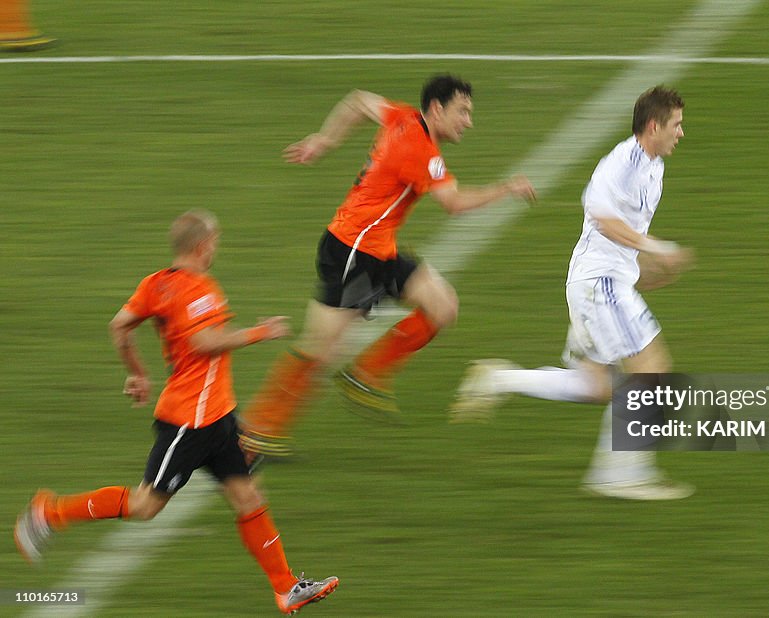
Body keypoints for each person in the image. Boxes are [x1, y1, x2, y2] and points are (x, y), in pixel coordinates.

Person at [13, 210, 339, 615]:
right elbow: (204, 342)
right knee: (146, 505)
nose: (216, 248)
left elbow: (120, 326)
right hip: (190, 423)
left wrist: (137, 374)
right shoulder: (200, 290)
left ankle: (287, 588)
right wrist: (260, 332)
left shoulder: (156, 283)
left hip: (218, 417)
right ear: (202, 246)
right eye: (216, 241)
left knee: (248, 496)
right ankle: (49, 513)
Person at [239, 74, 535, 458]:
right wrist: (507, 188)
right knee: (319, 351)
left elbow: (359, 100)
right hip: (352, 253)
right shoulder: (421, 151)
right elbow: (454, 204)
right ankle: (252, 434)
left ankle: (365, 374)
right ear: (436, 108)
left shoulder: (403, 116)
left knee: (442, 306)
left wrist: (325, 139)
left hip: (379, 251)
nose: (468, 121)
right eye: (462, 112)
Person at [449, 86, 694, 501]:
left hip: (601, 283)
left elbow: (626, 228)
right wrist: (656, 250)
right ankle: (621, 474)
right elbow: (600, 216)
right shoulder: (621, 163)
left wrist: (645, 267)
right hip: (601, 286)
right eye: (676, 125)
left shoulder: (653, 165)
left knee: (596, 386)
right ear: (654, 126)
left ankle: (498, 379)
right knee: (653, 369)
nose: (681, 133)